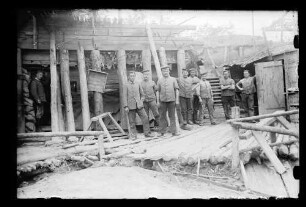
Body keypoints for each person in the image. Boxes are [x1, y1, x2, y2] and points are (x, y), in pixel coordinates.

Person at [123, 71, 154, 140]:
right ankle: (134, 135)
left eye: (133, 76)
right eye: (131, 76)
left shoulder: (138, 84)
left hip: (139, 105)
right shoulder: (126, 85)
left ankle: (147, 133)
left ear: (135, 77)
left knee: (145, 117)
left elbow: (143, 95)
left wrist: (141, 101)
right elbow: (124, 96)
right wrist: (126, 106)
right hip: (130, 106)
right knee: (132, 121)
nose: (132, 77)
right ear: (129, 77)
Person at [156, 65, 180, 137]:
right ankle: (162, 132)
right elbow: (157, 91)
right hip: (162, 101)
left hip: (171, 100)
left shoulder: (173, 79)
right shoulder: (159, 80)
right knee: (162, 116)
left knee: (172, 116)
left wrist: (177, 100)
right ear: (162, 72)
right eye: (163, 71)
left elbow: (177, 90)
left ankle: (173, 131)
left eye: (166, 71)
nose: (165, 72)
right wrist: (157, 101)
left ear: (169, 71)